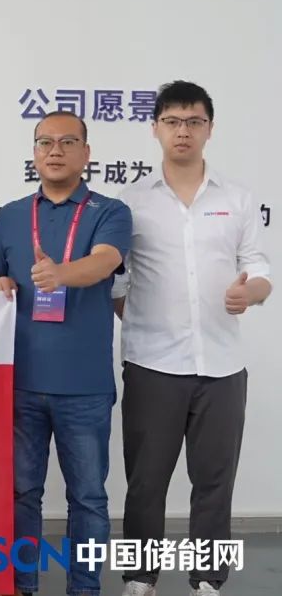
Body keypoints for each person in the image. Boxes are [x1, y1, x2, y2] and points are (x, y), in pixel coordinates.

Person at [113, 81, 271, 596]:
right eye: (173, 121)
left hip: (222, 365)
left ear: (210, 128)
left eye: (194, 122)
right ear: (155, 128)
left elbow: (258, 267)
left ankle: (208, 579)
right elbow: (117, 281)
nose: (183, 131)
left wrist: (251, 294)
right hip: (152, 363)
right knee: (146, 481)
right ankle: (140, 577)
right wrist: (144, 319)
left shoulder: (237, 197)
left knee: (215, 482)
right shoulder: (131, 202)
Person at [0, 111, 132, 596]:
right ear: (33, 153)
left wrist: (60, 274)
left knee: (87, 498)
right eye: (44, 141)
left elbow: (106, 262)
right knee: (20, 493)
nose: (55, 150)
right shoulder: (11, 215)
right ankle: (20, 585)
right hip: (20, 381)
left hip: (84, 386)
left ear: (86, 153)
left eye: (68, 142)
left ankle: (84, 589)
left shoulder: (109, 211)